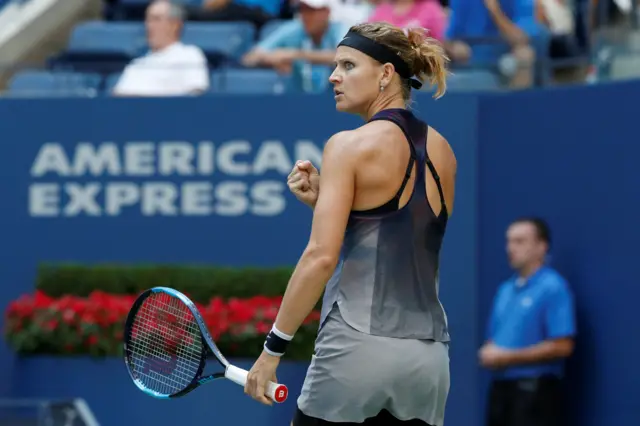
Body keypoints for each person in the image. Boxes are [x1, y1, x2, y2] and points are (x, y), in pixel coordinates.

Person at [245, 22, 457, 426]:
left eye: (347, 64)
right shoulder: (444, 151)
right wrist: (327, 202)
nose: (333, 76)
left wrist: (271, 351)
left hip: (357, 348)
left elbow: (320, 258)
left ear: (385, 74)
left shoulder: (347, 145)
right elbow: (395, 234)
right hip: (428, 360)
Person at [479, 217, 576, 426]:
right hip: (500, 391)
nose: (510, 248)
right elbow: (493, 340)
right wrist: (489, 352)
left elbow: (563, 346)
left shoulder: (553, 287)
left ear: (542, 246)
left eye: (520, 241)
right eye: (509, 241)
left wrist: (508, 357)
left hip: (535, 394)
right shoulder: (505, 290)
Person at [112, 0, 209, 97]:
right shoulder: (136, 65)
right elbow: (117, 101)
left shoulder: (190, 55)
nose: (149, 25)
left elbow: (195, 96)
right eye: (148, 20)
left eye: (156, 19)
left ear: (175, 25)